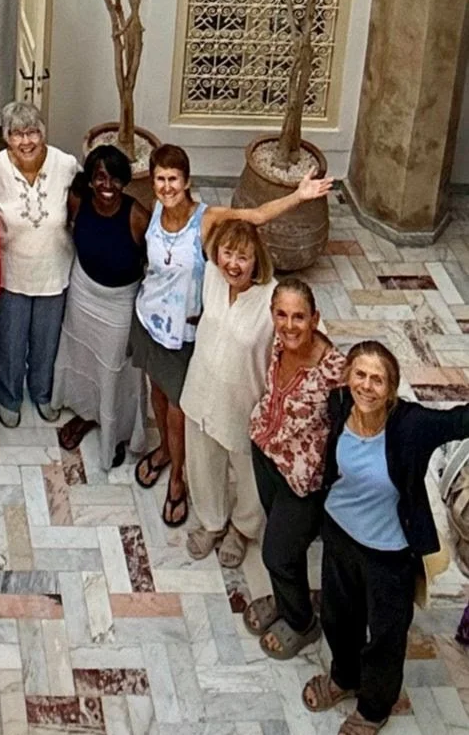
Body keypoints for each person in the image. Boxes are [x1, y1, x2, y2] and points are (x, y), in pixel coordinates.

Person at [129, 144, 333, 528]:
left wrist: (299, 196)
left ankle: (177, 478)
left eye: (173, 178)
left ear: (187, 181)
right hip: (149, 320)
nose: (167, 186)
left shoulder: (206, 220)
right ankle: (166, 452)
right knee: (156, 391)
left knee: (178, 408)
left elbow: (254, 216)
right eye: (160, 178)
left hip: (183, 335)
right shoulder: (154, 210)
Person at [301, 342, 468, 735]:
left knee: (386, 636)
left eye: (377, 379)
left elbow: (460, 420)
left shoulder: (411, 425)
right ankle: (343, 676)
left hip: (389, 555)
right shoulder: (339, 403)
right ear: (348, 377)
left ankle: (373, 709)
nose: (367, 386)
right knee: (338, 618)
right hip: (340, 535)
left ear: (392, 389)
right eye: (360, 375)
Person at [245, 278, 347, 659]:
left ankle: (302, 621)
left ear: (315, 318)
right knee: (282, 543)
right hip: (267, 453)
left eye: (299, 317)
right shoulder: (278, 341)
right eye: (282, 315)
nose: (289, 325)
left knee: (278, 553)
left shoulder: (335, 372)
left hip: (304, 481)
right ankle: (287, 600)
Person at [180, 219, 276, 568]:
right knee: (203, 463)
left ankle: (242, 529)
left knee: (249, 473)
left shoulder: (272, 300)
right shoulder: (211, 277)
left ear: (257, 260)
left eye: (243, 257)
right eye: (228, 253)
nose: (233, 264)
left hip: (244, 402)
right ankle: (212, 522)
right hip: (202, 390)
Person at [0, 101, 79, 428]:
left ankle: (43, 393)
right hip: (11, 273)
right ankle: (8, 398)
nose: (26, 141)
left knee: (46, 342)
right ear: (7, 137)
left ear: (42, 133)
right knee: (9, 341)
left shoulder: (66, 164)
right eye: (17, 134)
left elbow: (82, 207)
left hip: (54, 270)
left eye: (32, 132)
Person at [53, 145, 149, 470]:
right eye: (100, 177)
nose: (107, 186)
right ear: (91, 180)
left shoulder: (137, 216)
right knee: (81, 355)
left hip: (119, 304)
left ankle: (116, 429)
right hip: (82, 293)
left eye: (115, 179)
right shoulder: (78, 201)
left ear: (124, 182)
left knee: (113, 367)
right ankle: (85, 413)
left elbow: (155, 264)